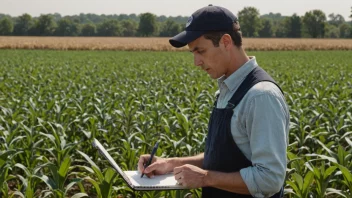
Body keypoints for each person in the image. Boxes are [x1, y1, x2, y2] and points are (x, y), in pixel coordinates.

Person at [138, 4, 289, 198]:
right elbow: (223, 161)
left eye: (201, 51)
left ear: (226, 41)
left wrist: (206, 178)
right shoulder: (227, 90)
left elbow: (270, 179)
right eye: (193, 53)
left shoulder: (260, 96)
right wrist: (171, 163)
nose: (196, 62)